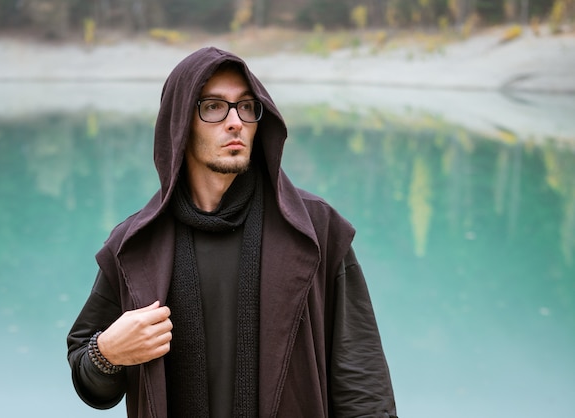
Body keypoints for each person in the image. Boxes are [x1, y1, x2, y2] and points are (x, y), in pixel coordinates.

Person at [67, 46, 397, 418]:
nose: (235, 121)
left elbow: (364, 384)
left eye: (245, 106)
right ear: (179, 124)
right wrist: (107, 353)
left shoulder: (316, 229)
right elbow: (90, 377)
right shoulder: (134, 244)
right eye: (213, 107)